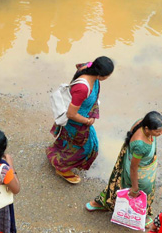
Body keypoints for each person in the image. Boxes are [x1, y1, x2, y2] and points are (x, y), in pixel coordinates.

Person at [86, 112, 162, 222]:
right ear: (147, 129)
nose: (161, 133)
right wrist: (135, 187)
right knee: (138, 194)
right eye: (157, 131)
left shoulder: (140, 123)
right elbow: (134, 168)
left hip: (131, 164)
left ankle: (101, 202)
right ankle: (142, 215)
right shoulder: (141, 146)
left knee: (117, 187)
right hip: (137, 174)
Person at [47, 56, 113, 184]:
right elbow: (71, 114)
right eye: (107, 76)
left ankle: (56, 155)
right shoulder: (82, 89)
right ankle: (61, 168)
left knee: (70, 142)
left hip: (83, 116)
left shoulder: (89, 67)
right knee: (87, 147)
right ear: (100, 75)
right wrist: (87, 121)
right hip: (77, 122)